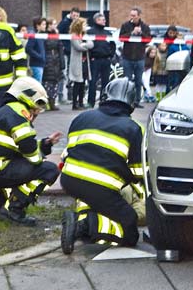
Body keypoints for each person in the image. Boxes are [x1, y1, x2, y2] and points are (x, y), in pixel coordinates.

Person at [60, 77, 144, 253]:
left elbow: (68, 152)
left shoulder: (82, 117)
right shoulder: (133, 128)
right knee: (130, 228)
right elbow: (138, 172)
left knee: (91, 199)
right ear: (132, 104)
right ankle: (81, 228)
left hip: (69, 181)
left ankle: (81, 220)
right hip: (101, 187)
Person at [0, 77, 61, 225]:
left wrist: (45, 144)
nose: (35, 113)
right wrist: (39, 158)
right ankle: (14, 211)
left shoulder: (5, 111)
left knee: (23, 168)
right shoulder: (18, 112)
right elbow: (30, 151)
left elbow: (17, 145)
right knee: (48, 170)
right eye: (36, 109)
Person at [119, 6, 151, 108]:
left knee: (138, 81)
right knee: (127, 81)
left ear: (139, 16)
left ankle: (137, 101)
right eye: (131, 15)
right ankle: (127, 101)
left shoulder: (145, 26)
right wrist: (131, 33)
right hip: (127, 57)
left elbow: (148, 39)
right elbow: (121, 38)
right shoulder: (125, 25)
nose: (132, 17)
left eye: (134, 15)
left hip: (139, 57)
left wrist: (141, 33)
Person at [87, 12, 115, 108]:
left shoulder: (108, 33)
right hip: (95, 60)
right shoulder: (90, 32)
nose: (104, 21)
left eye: (104, 19)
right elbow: (87, 45)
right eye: (102, 19)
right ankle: (91, 102)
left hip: (106, 60)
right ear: (96, 20)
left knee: (105, 82)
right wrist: (91, 56)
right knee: (93, 82)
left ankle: (104, 101)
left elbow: (113, 45)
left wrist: (111, 55)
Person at [68, 18, 93, 110]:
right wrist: (85, 45)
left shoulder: (85, 35)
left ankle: (81, 102)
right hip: (77, 63)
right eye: (84, 25)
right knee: (77, 83)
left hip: (85, 62)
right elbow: (78, 47)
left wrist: (84, 45)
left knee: (83, 83)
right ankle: (75, 104)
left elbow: (91, 44)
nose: (86, 27)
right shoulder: (74, 35)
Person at [42, 22, 64, 111]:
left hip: (56, 61)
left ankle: (53, 101)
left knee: (55, 82)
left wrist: (62, 63)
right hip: (48, 60)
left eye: (55, 24)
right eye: (52, 24)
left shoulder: (57, 36)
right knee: (47, 82)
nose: (54, 26)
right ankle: (46, 102)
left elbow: (60, 48)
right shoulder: (44, 35)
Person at [26, 18, 47, 82]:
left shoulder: (40, 35)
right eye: (43, 24)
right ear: (37, 26)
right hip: (36, 65)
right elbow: (28, 48)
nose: (45, 26)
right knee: (37, 86)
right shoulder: (34, 35)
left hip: (40, 64)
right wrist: (39, 56)